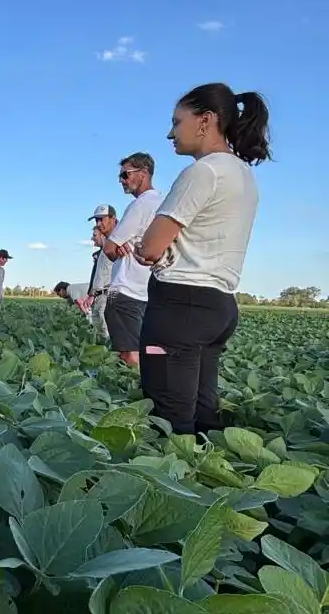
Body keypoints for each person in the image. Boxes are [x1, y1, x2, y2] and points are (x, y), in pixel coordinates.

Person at [133, 83, 271, 435]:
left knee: (169, 420)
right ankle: (208, 481)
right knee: (202, 411)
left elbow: (150, 247)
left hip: (180, 305)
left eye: (177, 122)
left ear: (205, 120)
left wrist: (145, 246)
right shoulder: (244, 174)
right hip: (219, 306)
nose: (170, 133)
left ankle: (175, 487)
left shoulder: (203, 172)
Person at [102, 153, 162, 367]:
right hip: (149, 292)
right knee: (151, 351)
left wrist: (116, 247)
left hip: (125, 292)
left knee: (129, 355)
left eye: (125, 174)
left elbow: (109, 248)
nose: (121, 180)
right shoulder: (164, 203)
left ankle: (132, 398)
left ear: (144, 173)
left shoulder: (141, 204)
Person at [82, 223, 114, 339]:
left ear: (103, 235)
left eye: (95, 235)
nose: (92, 238)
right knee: (99, 327)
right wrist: (91, 295)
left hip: (106, 294)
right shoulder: (100, 254)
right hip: (98, 295)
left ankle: (110, 353)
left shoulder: (111, 252)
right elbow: (96, 276)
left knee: (105, 328)